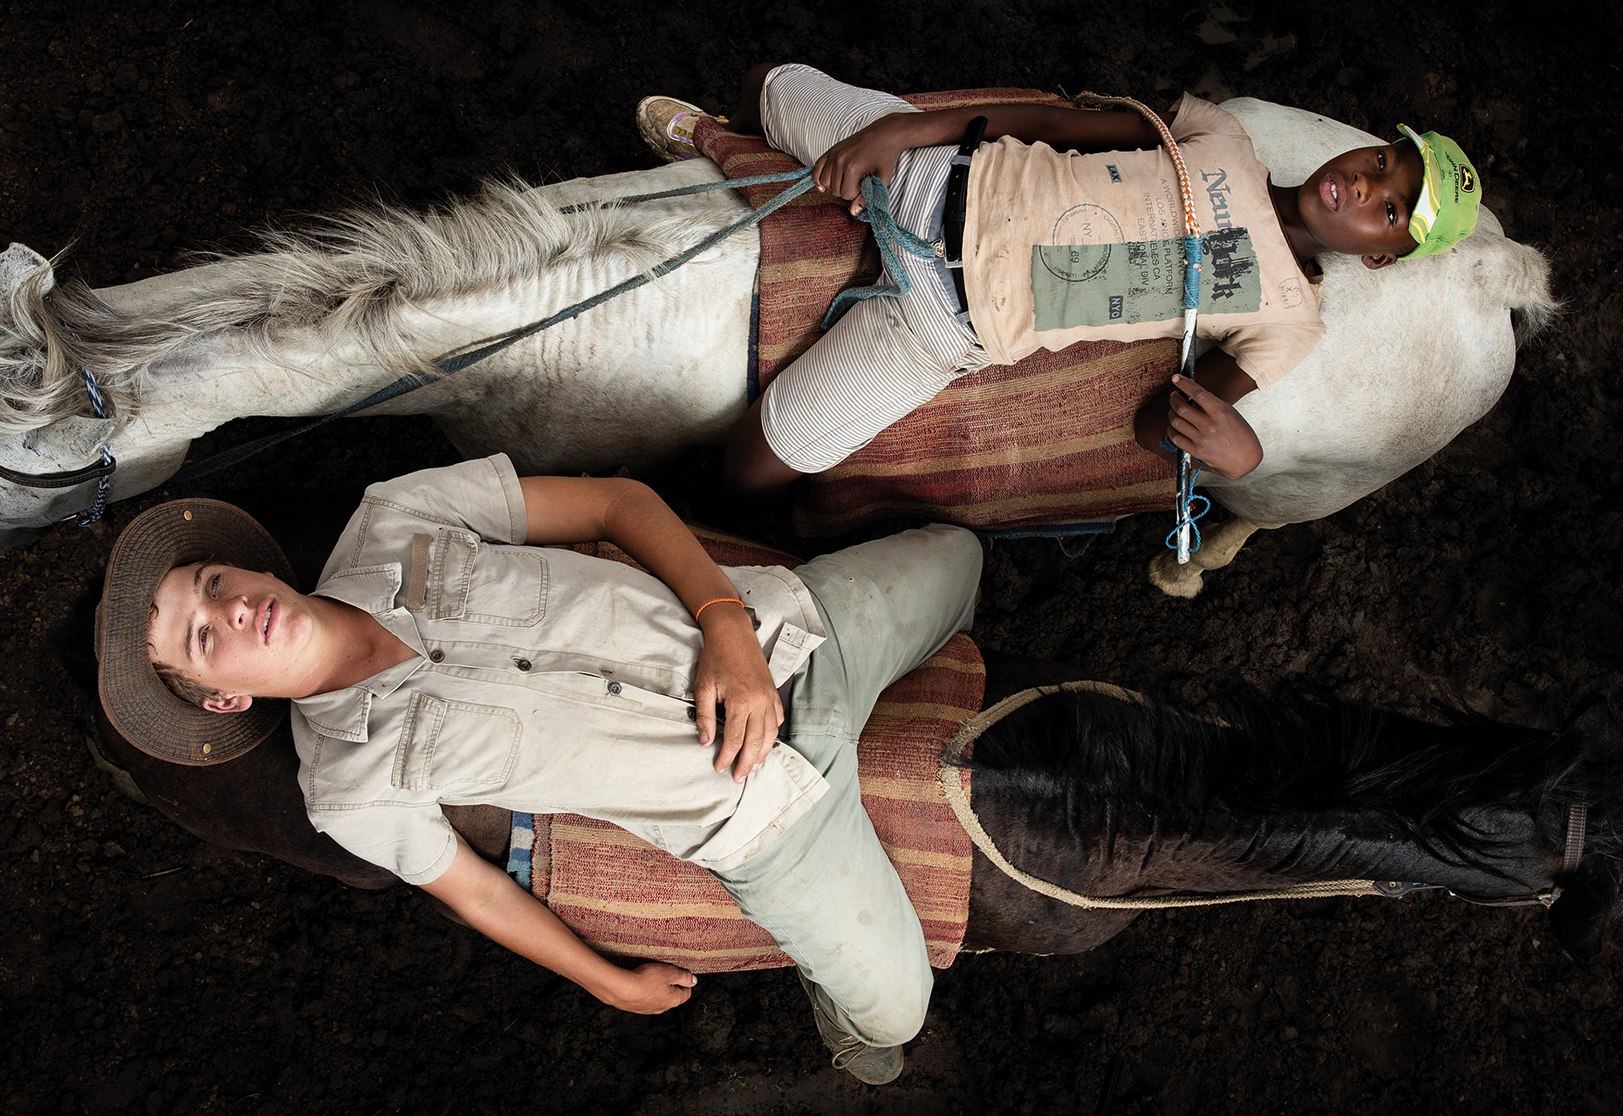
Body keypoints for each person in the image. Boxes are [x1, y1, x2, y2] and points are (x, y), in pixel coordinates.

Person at [94, 455, 983, 1086]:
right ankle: (843, 1010)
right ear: (223, 701)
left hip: (787, 636)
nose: (235, 611)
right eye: (203, 639)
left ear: (243, 564)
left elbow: (614, 505)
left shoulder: (393, 517)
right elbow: (476, 891)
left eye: (211, 583)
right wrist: (609, 981)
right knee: (897, 1018)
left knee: (962, 556)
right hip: (762, 820)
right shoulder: (345, 787)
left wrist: (723, 624)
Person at [637, 64, 1483, 496]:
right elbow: (1057, 124)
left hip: (946, 324)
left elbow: (1160, 422)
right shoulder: (1220, 138)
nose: (1367, 185)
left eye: (1389, 209)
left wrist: (1239, 455)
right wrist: (901, 130)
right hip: (940, 173)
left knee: (754, 468)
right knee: (771, 85)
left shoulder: (1291, 319)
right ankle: (722, 143)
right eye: (1381, 160)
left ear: (1381, 254)